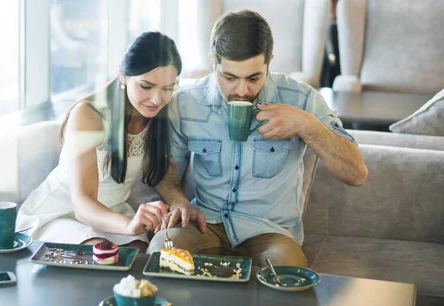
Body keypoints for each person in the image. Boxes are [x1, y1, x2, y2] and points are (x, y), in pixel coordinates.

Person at [147, 10, 368, 267]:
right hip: (205, 224)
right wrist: (178, 201)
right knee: (160, 254)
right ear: (212, 61)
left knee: (288, 276)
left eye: (253, 78)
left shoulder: (302, 100)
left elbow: (356, 174)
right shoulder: (186, 103)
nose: (242, 90)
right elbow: (166, 172)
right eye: (229, 77)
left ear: (269, 61)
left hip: (270, 232)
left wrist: (305, 124)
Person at [16, 31, 182, 252]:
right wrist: (129, 224)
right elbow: (82, 204)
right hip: (62, 215)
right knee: (106, 257)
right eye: (146, 86)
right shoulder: (88, 115)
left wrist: (179, 203)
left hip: (112, 216)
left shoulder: (160, 114)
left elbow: (161, 172)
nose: (156, 99)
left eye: (167, 88)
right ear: (123, 76)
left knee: (142, 259)